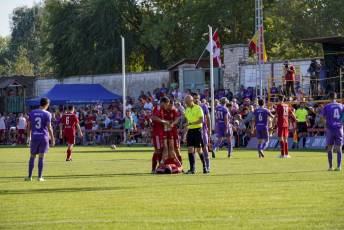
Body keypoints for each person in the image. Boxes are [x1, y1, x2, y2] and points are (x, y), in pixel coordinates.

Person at [25, 98, 55, 181]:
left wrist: (28, 137)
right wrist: (52, 139)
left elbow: (29, 127)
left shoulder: (32, 112)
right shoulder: (48, 114)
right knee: (41, 157)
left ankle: (29, 177)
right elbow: (49, 127)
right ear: (47, 104)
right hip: (43, 138)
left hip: (34, 137)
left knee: (32, 156)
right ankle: (39, 177)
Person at [321, 92, 343, 171]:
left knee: (330, 148)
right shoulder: (341, 105)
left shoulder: (326, 106)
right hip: (339, 129)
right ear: (336, 97)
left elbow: (323, 118)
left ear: (329, 98)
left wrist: (325, 126)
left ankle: (330, 167)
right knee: (339, 148)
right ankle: (339, 166)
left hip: (330, 129)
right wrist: (341, 123)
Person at [184, 95, 205, 174]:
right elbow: (187, 122)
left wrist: (191, 123)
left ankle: (204, 166)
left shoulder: (198, 108)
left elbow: (201, 120)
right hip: (190, 131)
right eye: (185, 102)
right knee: (190, 149)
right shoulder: (187, 109)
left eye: (187, 102)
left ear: (191, 100)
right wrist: (185, 133)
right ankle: (192, 169)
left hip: (197, 130)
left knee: (199, 150)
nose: (186, 104)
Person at [193, 93, 211, 172]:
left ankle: (207, 166)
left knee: (205, 148)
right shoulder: (191, 107)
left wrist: (209, 130)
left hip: (203, 130)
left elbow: (208, 118)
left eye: (197, 98)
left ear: (199, 98)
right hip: (194, 130)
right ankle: (193, 168)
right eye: (195, 98)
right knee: (193, 149)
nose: (196, 99)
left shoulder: (203, 106)